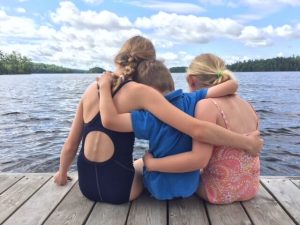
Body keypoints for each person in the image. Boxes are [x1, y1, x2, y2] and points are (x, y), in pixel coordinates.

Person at [54, 35, 262, 205]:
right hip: (119, 190)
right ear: (149, 64)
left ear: (120, 58)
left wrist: (62, 174)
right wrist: (245, 142)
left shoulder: (92, 88)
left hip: (86, 186)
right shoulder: (142, 92)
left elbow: (71, 144)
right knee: (144, 163)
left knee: (140, 161)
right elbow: (196, 129)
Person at [98, 59, 253, 200]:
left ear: (144, 93)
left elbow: (110, 121)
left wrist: (105, 88)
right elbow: (232, 86)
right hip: (190, 188)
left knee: (140, 162)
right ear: (170, 82)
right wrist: (222, 75)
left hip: (157, 188)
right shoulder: (194, 98)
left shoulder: (147, 117)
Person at [143, 53, 260, 204]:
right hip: (250, 188)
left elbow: (199, 160)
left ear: (191, 80)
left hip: (218, 192)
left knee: (143, 163)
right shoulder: (248, 105)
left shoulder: (206, 106)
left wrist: (152, 164)